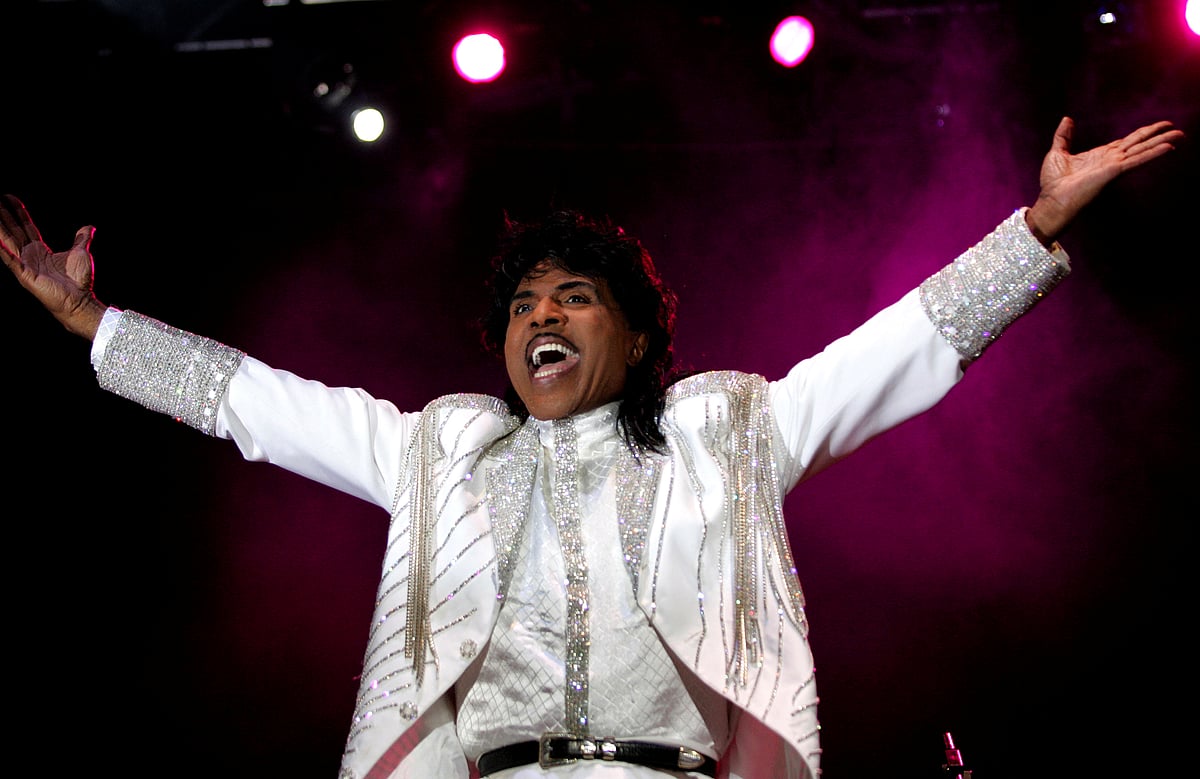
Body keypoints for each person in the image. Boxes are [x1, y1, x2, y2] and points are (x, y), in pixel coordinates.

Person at [0, 115, 1183, 779]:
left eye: (573, 296)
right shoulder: (442, 451)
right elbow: (263, 403)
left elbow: (889, 353)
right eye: (522, 305)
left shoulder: (722, 435)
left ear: (637, 333)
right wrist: (95, 323)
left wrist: (1033, 230)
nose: (542, 318)